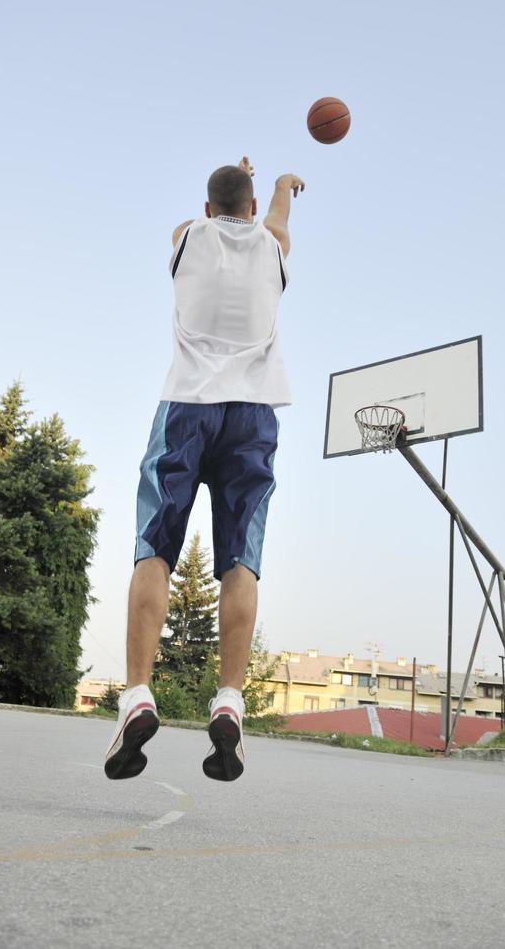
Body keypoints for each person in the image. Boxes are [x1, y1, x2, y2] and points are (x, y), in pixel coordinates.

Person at [105, 157, 305, 782]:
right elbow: (277, 221)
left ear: (207, 208)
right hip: (252, 416)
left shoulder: (187, 237)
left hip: (187, 408)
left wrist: (232, 191)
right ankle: (229, 701)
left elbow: (210, 218)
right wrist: (281, 186)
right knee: (240, 561)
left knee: (154, 550)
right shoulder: (272, 245)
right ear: (252, 208)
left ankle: (138, 695)